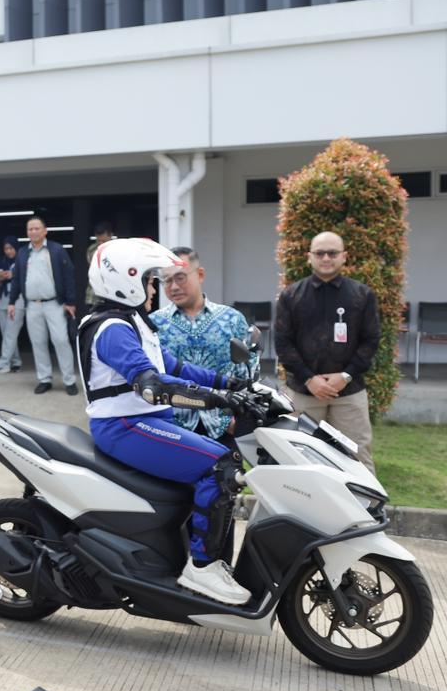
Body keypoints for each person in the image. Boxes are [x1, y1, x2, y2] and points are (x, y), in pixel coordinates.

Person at [79, 238, 253, 605]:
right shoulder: (112, 328)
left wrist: (233, 384)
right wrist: (219, 399)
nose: (155, 288)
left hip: (144, 422)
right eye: (150, 280)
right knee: (222, 464)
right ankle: (203, 568)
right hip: (124, 425)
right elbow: (152, 383)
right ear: (127, 282)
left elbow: (175, 367)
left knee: (216, 462)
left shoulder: (133, 324)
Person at [274, 231, 380, 473]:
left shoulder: (362, 295)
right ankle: (301, 510)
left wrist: (345, 376)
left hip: (349, 393)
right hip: (303, 392)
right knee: (297, 457)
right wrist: (309, 379)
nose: (326, 258)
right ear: (309, 257)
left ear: (344, 257)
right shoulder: (291, 296)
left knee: (357, 456)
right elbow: (283, 343)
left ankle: (366, 511)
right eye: (320, 253)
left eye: (332, 253)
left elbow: (370, 341)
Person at [151, 247, 258, 451]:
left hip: (224, 425)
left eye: (180, 277)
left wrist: (236, 418)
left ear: (200, 275)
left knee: (227, 481)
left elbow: (249, 371)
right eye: (166, 281)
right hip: (174, 427)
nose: (173, 286)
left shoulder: (231, 319)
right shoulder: (154, 324)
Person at [8, 216, 78, 394]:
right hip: (32, 305)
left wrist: (70, 301)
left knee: (61, 340)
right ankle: (44, 379)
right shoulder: (23, 253)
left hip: (54, 304)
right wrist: (11, 302)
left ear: (45, 230)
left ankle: (69, 380)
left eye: (36, 228)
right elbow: (16, 279)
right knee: (38, 343)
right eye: (30, 229)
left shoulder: (56, 250)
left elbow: (68, 275)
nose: (33, 232)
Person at [0, 236, 24, 374]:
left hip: (17, 300)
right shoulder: (1, 261)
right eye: (6, 248)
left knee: (10, 333)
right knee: (7, 334)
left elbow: (27, 278)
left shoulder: (22, 260)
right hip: (2, 300)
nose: (8, 251)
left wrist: (13, 274)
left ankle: (3, 364)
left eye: (11, 248)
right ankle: (16, 362)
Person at [85, 222, 114, 308]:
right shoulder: (91, 250)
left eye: (104, 241)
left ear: (110, 236)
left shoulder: (117, 250)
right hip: (93, 295)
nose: (101, 244)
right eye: (98, 241)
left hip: (112, 294)